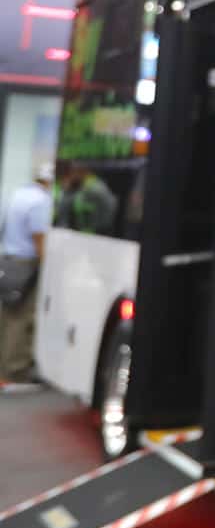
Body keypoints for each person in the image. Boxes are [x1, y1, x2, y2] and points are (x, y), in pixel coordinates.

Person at [0, 165, 53, 381]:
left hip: (8, 260)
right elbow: (39, 238)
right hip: (26, 264)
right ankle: (16, 369)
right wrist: (48, 267)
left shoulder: (17, 195)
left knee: (6, 314)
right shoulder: (41, 201)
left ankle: (4, 366)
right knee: (22, 317)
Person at [54, 161, 118, 235]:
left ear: (82, 172)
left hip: (93, 231)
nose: (72, 175)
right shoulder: (82, 186)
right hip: (83, 229)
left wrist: (99, 227)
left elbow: (109, 206)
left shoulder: (94, 187)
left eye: (74, 172)